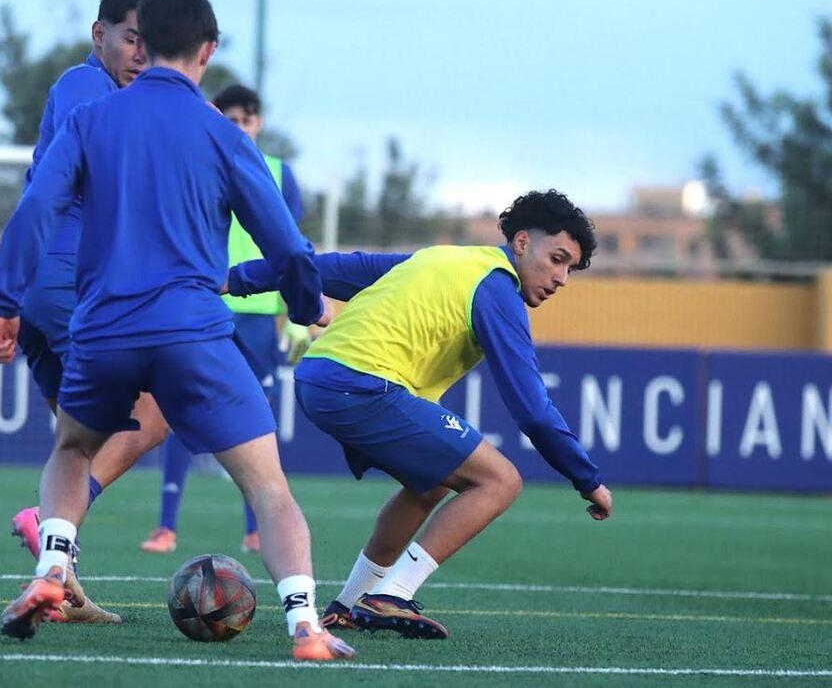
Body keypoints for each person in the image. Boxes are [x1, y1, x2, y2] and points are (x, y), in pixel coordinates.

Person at [0, 0, 355, 661]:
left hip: (102, 333)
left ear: (141, 41)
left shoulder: (93, 120)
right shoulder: (221, 132)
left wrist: (4, 300)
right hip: (192, 335)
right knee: (268, 486)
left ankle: (51, 570)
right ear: (207, 50)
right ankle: (305, 624)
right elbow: (287, 243)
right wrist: (306, 305)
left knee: (71, 448)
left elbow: (35, 208)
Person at [224, 189, 614, 638]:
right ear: (522, 243)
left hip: (320, 377)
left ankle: (348, 605)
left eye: (570, 268)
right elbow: (533, 410)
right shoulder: (496, 289)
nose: (562, 277)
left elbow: (331, 268)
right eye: (558, 258)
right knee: (500, 480)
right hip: (361, 384)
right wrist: (587, 479)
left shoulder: (444, 260)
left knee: (430, 483)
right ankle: (391, 596)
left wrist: (235, 279)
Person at [0, 0, 161, 624]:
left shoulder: (105, 92)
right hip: (72, 283)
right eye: (131, 37)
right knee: (156, 409)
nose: (142, 52)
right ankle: (53, 521)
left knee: (75, 436)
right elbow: (86, 187)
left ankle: (58, 579)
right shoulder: (86, 87)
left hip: (47, 284)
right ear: (101, 36)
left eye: (153, 41)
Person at [140, 84, 304, 556]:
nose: (239, 128)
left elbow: (291, 240)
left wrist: (295, 312)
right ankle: (166, 525)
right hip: (205, 306)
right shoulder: (202, 163)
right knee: (178, 410)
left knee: (256, 417)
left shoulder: (278, 173)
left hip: (257, 313)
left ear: (259, 123)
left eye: (246, 120)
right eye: (230, 120)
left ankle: (256, 528)